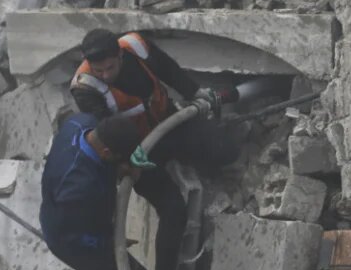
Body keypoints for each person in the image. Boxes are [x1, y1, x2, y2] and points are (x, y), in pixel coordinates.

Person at [41, 113, 191, 270]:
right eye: (123, 159)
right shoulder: (78, 186)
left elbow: (105, 161)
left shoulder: (82, 123)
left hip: (85, 217)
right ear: (107, 153)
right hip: (70, 239)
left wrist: (124, 167)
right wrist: (109, 242)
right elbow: (75, 235)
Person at [70, 29, 236, 172]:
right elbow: (106, 131)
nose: (105, 76)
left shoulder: (135, 45)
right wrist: (127, 164)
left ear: (120, 55)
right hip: (137, 149)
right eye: (98, 70)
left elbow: (168, 69)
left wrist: (194, 92)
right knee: (172, 203)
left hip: (169, 118)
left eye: (110, 68)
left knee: (225, 149)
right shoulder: (85, 88)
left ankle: (203, 171)